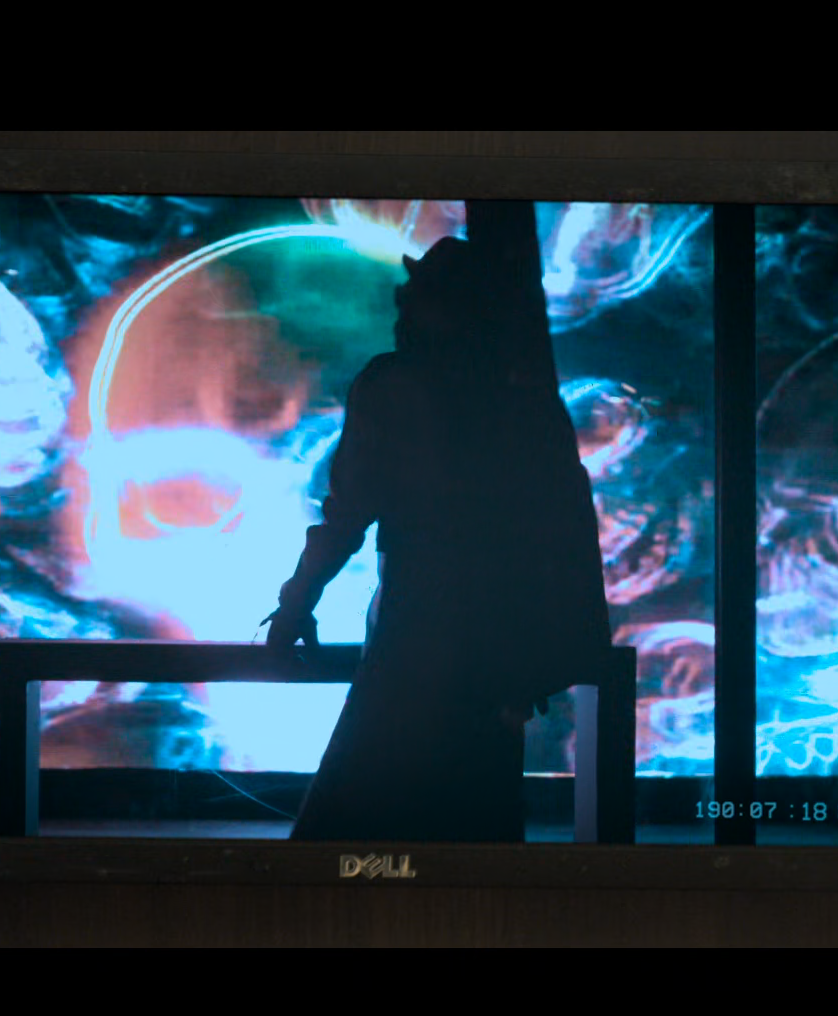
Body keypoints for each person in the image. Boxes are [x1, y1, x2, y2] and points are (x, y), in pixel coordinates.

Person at [262, 215, 611, 843]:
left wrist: (296, 603)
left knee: (356, 823)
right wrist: (554, 650)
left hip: (414, 638)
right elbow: (567, 530)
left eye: (416, 297)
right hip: (499, 652)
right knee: (475, 831)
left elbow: (346, 516)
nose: (403, 310)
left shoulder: (393, 387)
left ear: (443, 308)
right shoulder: (527, 403)